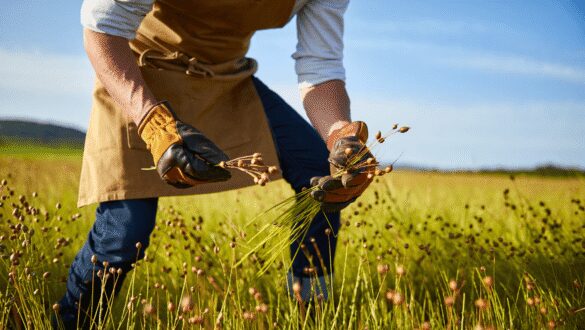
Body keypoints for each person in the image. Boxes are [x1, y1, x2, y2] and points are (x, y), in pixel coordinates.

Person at [55, 0, 376, 327]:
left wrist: (339, 135)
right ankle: (72, 322)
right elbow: (102, 26)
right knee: (124, 234)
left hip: (225, 76)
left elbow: (320, 66)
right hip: (137, 72)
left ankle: (315, 313)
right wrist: (153, 125)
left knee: (322, 175)